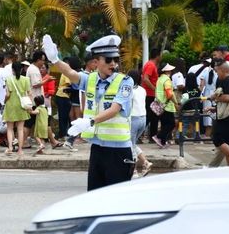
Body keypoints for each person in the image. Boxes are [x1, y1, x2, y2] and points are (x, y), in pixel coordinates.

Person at [43, 34, 135, 191]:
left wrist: (90, 121)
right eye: (108, 60)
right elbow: (72, 74)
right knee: (94, 197)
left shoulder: (125, 81)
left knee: (117, 202)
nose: (113, 63)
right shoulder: (90, 79)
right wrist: (55, 60)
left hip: (119, 151)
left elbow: (115, 109)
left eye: (116, 60)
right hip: (98, 149)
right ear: (96, 61)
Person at [205, 61, 229, 166]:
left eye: (217, 71)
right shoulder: (221, 81)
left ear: (223, 70)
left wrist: (214, 97)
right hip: (224, 114)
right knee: (228, 144)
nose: (216, 73)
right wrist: (214, 108)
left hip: (228, 117)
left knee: (218, 140)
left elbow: (227, 98)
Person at [3, 61, 32, 157]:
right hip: (22, 106)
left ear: (12, 70)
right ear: (22, 69)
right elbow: (29, 93)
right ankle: (20, 150)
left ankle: (10, 147)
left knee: (10, 128)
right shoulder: (26, 79)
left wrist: (4, 101)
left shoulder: (9, 79)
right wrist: (30, 104)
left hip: (11, 105)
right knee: (20, 129)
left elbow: (8, 94)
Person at [128, 70, 152, 178]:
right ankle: (146, 163)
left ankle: (134, 171)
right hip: (143, 118)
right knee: (132, 143)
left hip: (133, 119)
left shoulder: (130, 90)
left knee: (130, 145)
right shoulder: (142, 90)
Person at [152, 63, 177, 148]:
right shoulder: (167, 80)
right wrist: (176, 103)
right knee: (171, 124)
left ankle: (162, 142)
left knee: (164, 123)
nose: (171, 71)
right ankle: (158, 137)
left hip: (160, 104)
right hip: (167, 105)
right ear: (167, 71)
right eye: (170, 70)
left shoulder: (160, 79)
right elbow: (169, 94)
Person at [142, 49, 161, 140]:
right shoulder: (151, 65)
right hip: (149, 94)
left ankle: (153, 136)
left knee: (154, 116)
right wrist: (154, 89)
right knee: (149, 116)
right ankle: (139, 134)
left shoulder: (151, 65)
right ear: (157, 56)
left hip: (151, 94)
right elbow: (146, 78)